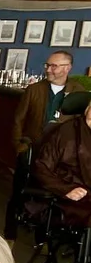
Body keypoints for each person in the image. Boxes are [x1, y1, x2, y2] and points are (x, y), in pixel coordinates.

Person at [32, 90, 91, 226]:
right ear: (87, 109)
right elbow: (41, 166)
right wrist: (65, 189)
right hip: (72, 193)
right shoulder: (66, 132)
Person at [14, 52, 82, 155]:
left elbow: (80, 124)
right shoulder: (33, 89)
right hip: (33, 147)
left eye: (54, 66)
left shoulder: (78, 91)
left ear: (67, 68)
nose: (48, 70)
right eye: (47, 65)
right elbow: (18, 119)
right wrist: (18, 144)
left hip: (62, 150)